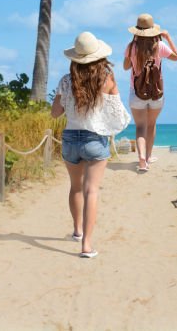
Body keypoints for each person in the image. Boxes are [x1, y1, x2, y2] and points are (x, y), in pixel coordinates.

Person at [51, 31, 120, 258]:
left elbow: (55, 113)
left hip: (70, 138)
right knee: (92, 191)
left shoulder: (65, 80)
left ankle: (77, 231)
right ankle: (87, 246)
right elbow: (117, 115)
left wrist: (63, 99)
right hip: (94, 139)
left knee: (76, 188)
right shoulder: (107, 79)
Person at [123, 13, 177, 172]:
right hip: (156, 93)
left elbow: (126, 67)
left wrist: (134, 58)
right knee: (151, 124)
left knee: (140, 126)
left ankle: (141, 158)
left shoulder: (131, 47)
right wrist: (167, 37)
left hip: (136, 93)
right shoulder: (159, 46)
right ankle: (148, 156)